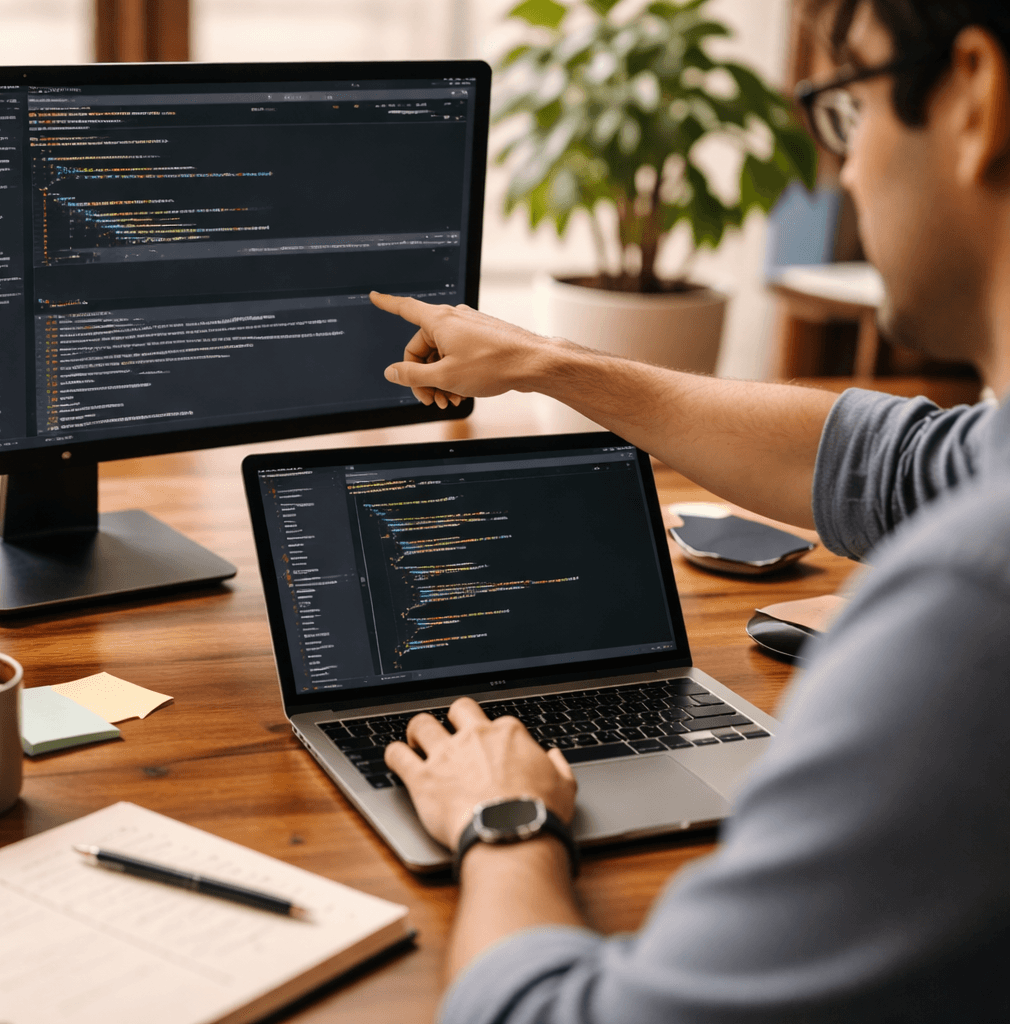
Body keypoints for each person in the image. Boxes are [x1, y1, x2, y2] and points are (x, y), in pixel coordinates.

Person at [368, 0, 1010, 1020]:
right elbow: (894, 465)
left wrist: (505, 822)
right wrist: (544, 363)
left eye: (849, 109)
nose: (843, 170)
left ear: (975, 95)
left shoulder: (973, 601)